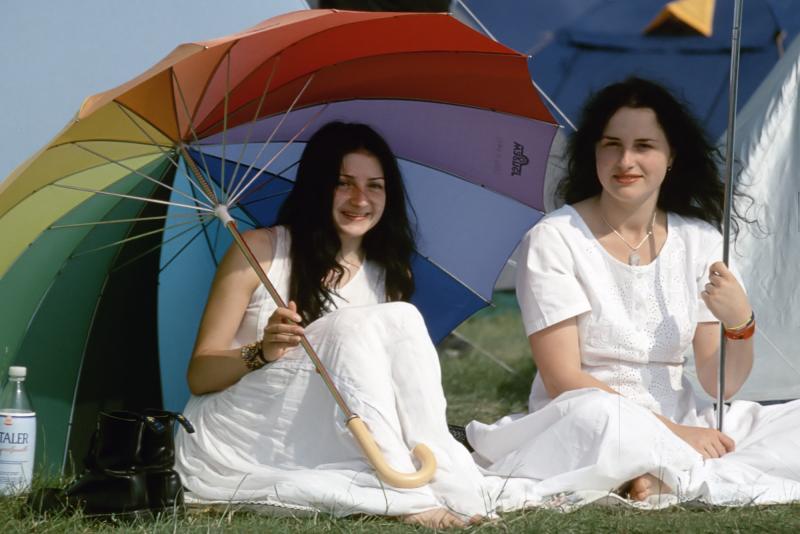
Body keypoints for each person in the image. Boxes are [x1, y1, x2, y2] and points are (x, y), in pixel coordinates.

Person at [174, 122, 534, 528]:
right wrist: (262, 351)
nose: (360, 199)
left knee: (400, 317)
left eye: (375, 186)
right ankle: (408, 494)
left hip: (327, 433)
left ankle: (439, 471)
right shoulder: (260, 250)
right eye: (344, 183)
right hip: (242, 434)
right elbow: (199, 375)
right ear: (318, 187)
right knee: (349, 327)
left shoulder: (389, 273)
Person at [467, 78, 800, 506]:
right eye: (612, 145)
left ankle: (656, 473)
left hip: (682, 417)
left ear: (671, 156)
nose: (626, 160)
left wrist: (741, 323)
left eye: (644, 145)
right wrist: (674, 434)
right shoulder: (555, 238)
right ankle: (664, 470)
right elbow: (563, 379)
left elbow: (723, 386)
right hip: (587, 417)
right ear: (594, 153)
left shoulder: (698, 240)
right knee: (602, 418)